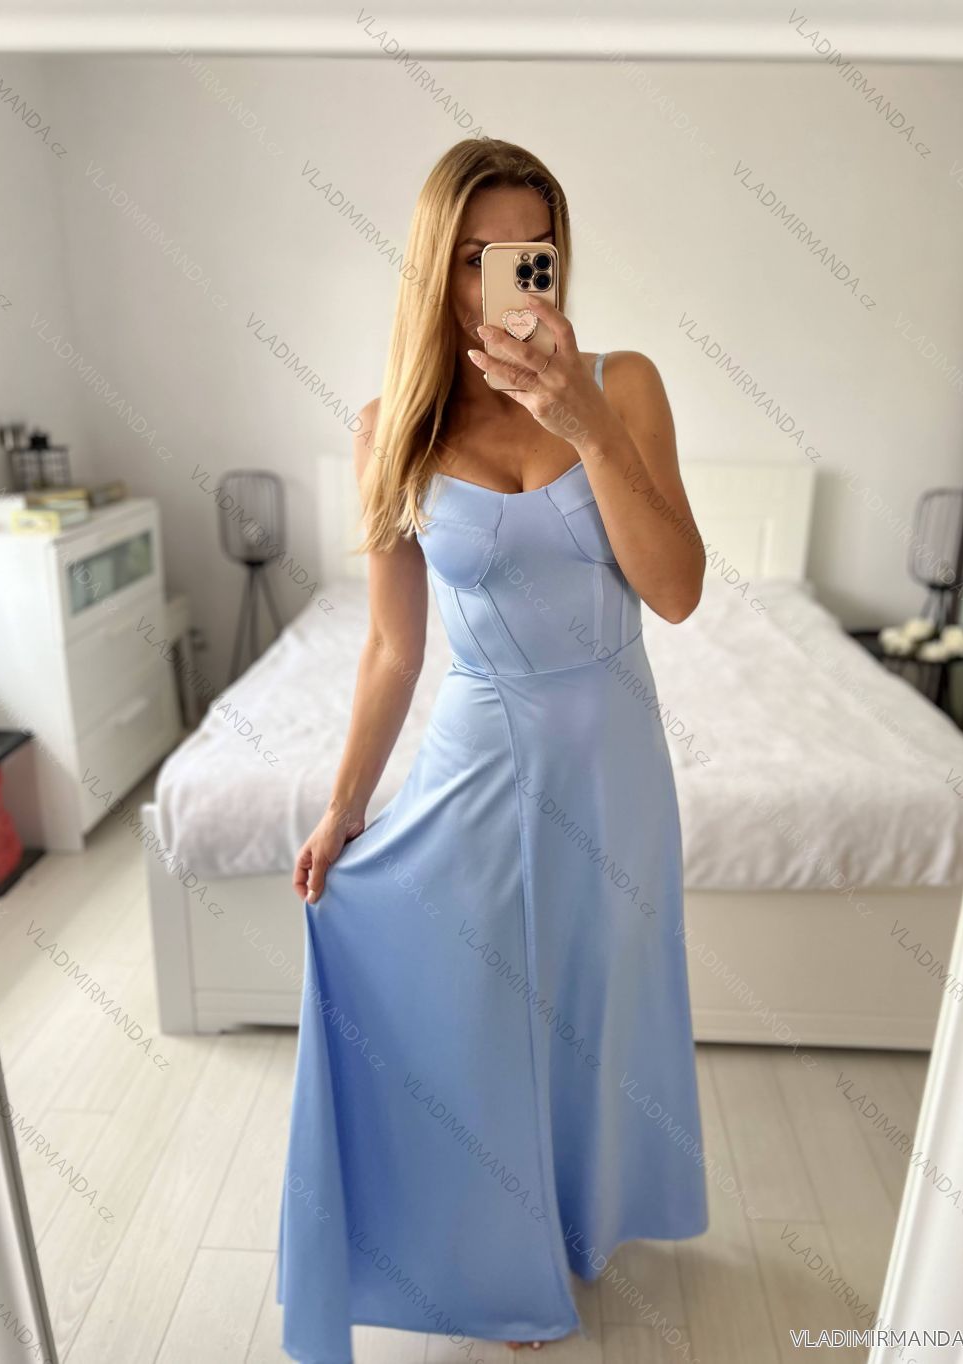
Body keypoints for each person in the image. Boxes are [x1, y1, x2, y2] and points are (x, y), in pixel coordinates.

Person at [276, 136, 709, 1364]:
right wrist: (343, 804)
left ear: (557, 261)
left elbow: (676, 590)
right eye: (474, 257)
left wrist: (587, 426)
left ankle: (572, 1227)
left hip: (614, 762)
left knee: (590, 1008)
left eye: (529, 253)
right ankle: (494, 1264)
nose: (503, 281)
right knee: (470, 1013)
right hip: (477, 757)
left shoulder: (625, 386)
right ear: (438, 267)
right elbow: (391, 648)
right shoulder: (392, 429)